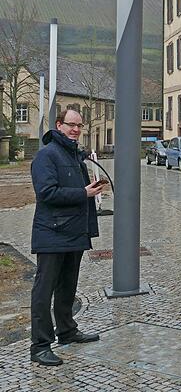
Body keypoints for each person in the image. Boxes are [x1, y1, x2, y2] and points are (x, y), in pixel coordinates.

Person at [30, 109, 104, 366]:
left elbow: (79, 193)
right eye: (70, 125)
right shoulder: (46, 155)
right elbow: (47, 193)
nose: (75, 130)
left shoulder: (75, 157)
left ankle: (67, 331)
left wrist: (90, 191)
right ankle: (40, 346)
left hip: (73, 232)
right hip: (51, 232)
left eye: (79, 126)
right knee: (44, 290)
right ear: (59, 125)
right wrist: (83, 193)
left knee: (67, 287)